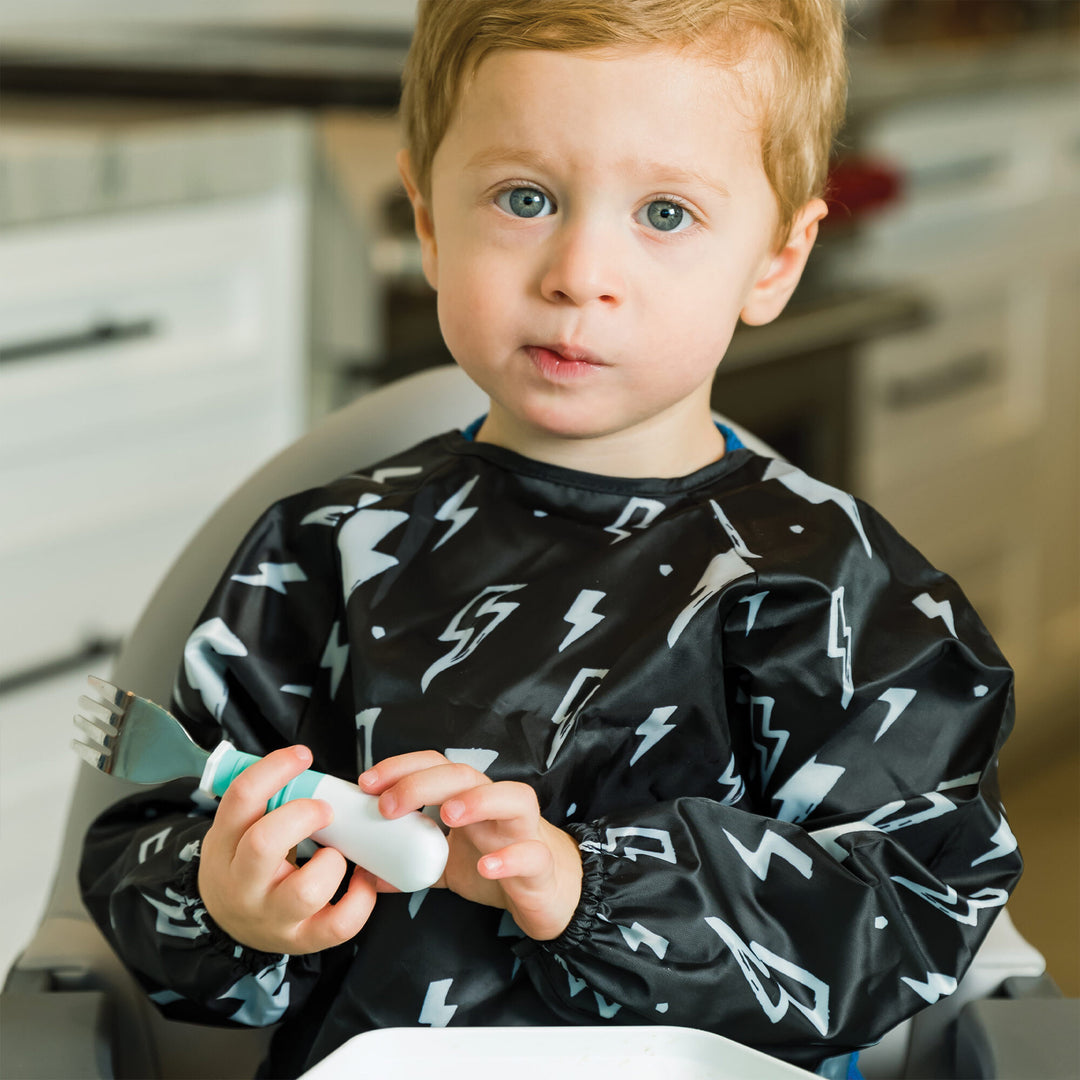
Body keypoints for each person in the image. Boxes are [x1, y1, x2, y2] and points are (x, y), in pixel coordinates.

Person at [79, 1, 1023, 1077]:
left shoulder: (840, 592)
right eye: (524, 198)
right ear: (429, 222)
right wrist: (226, 904)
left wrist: (593, 888)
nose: (579, 270)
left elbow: (912, 909)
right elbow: (152, 842)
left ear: (776, 257)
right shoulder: (325, 549)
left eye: (665, 213)